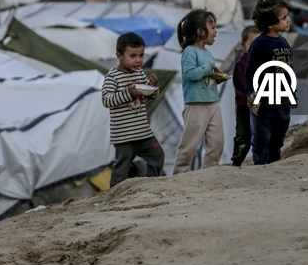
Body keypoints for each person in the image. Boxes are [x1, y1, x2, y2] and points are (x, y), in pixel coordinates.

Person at [102, 32, 164, 187]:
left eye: (141, 55)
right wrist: (128, 93)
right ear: (119, 55)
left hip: (143, 132)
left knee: (158, 156)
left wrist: (152, 86)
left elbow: (150, 96)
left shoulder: (140, 73)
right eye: (133, 56)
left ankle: (149, 187)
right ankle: (115, 197)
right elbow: (106, 100)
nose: (138, 60)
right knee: (121, 169)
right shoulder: (113, 77)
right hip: (124, 136)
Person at [172, 9, 227, 174]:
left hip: (213, 102)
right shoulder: (189, 52)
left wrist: (218, 77)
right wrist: (207, 68)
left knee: (216, 143)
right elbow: (190, 74)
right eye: (212, 27)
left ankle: (208, 173)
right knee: (189, 145)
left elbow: (207, 75)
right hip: (196, 104)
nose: (216, 32)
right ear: (200, 32)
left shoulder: (208, 53)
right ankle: (178, 176)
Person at [244, 0, 294, 165]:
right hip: (264, 101)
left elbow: (288, 72)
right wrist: (250, 93)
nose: (288, 20)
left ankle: (274, 166)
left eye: (287, 16)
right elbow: (250, 72)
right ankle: (260, 168)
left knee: (278, 137)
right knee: (262, 137)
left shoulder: (284, 43)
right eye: (284, 18)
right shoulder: (260, 45)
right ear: (270, 23)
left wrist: (292, 94)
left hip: (282, 100)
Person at [231, 25, 261, 167]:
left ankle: (261, 161)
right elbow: (243, 84)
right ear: (244, 45)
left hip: (263, 105)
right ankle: (237, 161)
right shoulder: (242, 64)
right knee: (243, 136)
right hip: (245, 106)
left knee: (262, 134)